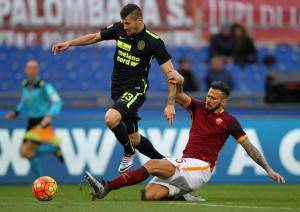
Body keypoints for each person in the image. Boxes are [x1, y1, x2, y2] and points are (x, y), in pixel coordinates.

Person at [84, 79, 285, 201]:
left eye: (214, 98)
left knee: (153, 164)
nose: (208, 99)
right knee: (150, 195)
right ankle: (181, 194)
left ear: (223, 101)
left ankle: (106, 187)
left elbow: (249, 148)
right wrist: (177, 79)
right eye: (208, 95)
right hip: (187, 163)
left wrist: (268, 169)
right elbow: (179, 94)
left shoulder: (230, 121)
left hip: (202, 167)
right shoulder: (197, 107)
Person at [52, 4, 176, 173]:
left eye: (127, 23)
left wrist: (170, 103)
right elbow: (95, 37)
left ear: (138, 20)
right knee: (134, 138)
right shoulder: (120, 29)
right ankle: (170, 167)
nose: (124, 27)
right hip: (117, 90)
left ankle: (128, 152)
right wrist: (69, 43)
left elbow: (171, 74)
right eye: (123, 23)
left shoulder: (153, 41)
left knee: (111, 118)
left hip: (135, 89)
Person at [5, 59, 63, 179]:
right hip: (31, 121)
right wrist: (15, 113)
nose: (31, 70)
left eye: (34, 68)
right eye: (29, 68)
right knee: (24, 153)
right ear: (26, 70)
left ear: (37, 70)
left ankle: (40, 180)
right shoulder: (25, 85)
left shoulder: (44, 86)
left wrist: (50, 115)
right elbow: (24, 102)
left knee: (27, 151)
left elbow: (57, 101)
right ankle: (52, 149)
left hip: (42, 122)